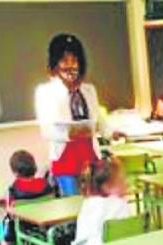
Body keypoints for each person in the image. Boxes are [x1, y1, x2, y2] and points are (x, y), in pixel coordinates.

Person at [36, 33, 112, 196]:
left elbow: (99, 121)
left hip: (91, 158)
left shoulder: (89, 90)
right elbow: (46, 130)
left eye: (74, 60)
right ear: (55, 64)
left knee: (96, 205)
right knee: (73, 208)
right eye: (64, 61)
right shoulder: (45, 92)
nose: (70, 66)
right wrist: (70, 132)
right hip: (65, 161)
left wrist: (110, 132)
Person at [0, 149, 53, 245]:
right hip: (43, 228)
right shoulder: (46, 184)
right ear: (34, 167)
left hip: (21, 231)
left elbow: (10, 213)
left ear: (15, 172)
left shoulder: (13, 189)